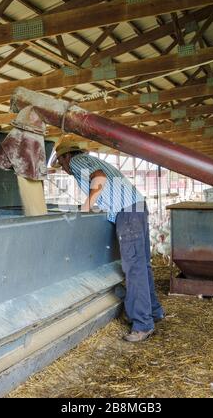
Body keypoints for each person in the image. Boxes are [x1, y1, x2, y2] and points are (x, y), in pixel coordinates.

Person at [51, 143, 165, 342]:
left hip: (127, 212)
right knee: (142, 265)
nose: (63, 168)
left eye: (61, 161)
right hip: (136, 206)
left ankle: (142, 324)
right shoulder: (91, 160)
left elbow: (100, 178)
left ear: (67, 155)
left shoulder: (77, 161)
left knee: (133, 268)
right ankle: (154, 311)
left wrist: (86, 206)